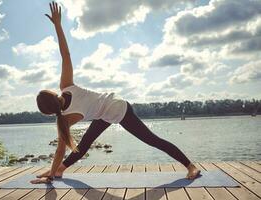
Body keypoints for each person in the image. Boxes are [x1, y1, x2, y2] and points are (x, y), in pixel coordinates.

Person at [30, 1, 201, 184]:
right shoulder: (66, 85)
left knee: (151, 139)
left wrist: (50, 174)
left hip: (117, 108)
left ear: (48, 112)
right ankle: (61, 169)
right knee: (85, 143)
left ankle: (191, 166)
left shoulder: (65, 119)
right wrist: (58, 25)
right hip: (108, 105)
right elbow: (66, 55)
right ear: (53, 94)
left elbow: (59, 150)